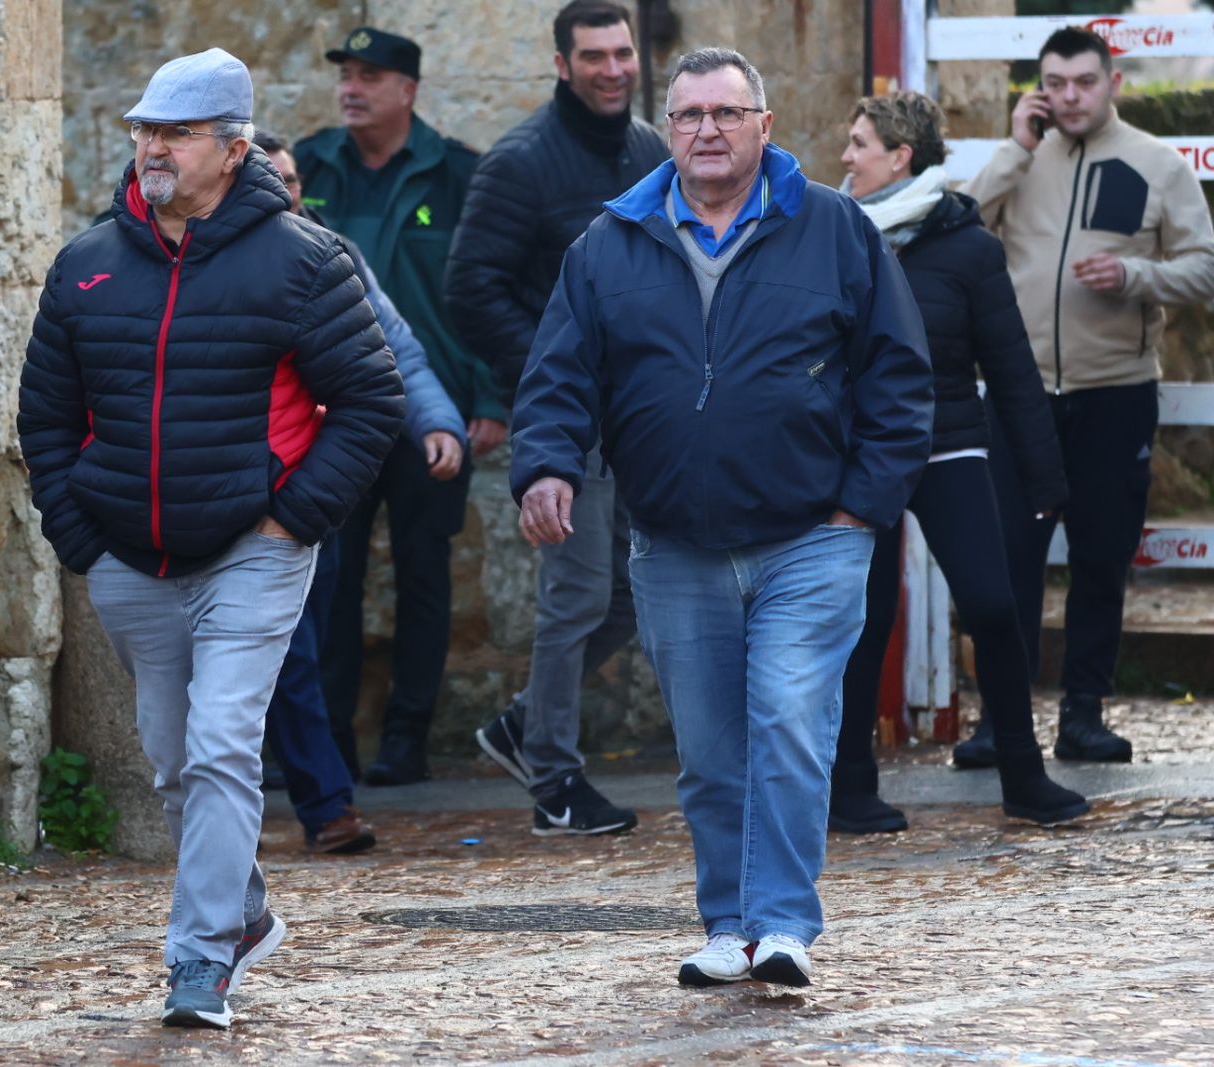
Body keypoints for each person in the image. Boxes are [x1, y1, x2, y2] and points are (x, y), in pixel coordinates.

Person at [511, 48, 933, 988]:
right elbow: (557, 377)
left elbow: (899, 376)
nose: (708, 130)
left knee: (788, 723)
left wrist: (861, 508)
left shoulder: (833, 228)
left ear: (764, 127)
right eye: (690, 114)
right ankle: (728, 925)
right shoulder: (610, 242)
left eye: (727, 113)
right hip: (674, 544)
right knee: (708, 753)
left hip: (812, 537)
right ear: (668, 129)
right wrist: (545, 467)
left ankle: (780, 922)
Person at [18, 49, 403, 1028]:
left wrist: (292, 517)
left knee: (223, 742)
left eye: (177, 133)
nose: (153, 147)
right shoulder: (87, 262)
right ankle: (242, 907)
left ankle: (199, 960)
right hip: (128, 557)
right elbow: (45, 416)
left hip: (254, 550)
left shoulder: (305, 260)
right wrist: (82, 536)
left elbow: (369, 401)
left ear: (233, 150)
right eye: (145, 130)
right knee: (172, 758)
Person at [832, 92, 1088, 834]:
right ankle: (849, 787)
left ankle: (1024, 776)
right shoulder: (834, 237)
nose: (846, 156)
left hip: (948, 444)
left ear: (900, 156)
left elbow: (1010, 365)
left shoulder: (969, 247)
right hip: (863, 454)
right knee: (863, 619)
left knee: (992, 604)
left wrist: (1043, 477)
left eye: (859, 143)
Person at [961, 27, 1214, 766]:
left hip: (1115, 395)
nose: (1070, 96)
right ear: (1038, 88)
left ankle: (1083, 715)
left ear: (1113, 83)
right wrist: (1014, 149)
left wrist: (1136, 277)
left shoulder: (1158, 164)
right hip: (1020, 396)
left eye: (1084, 81)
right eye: (1055, 83)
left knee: (1101, 561)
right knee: (1008, 562)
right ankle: (999, 721)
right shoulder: (1017, 160)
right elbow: (957, 232)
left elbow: (1204, 268)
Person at [445, 0, 668, 836]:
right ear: (561, 65)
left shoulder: (650, 150)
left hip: (638, 416)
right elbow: (470, 288)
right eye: (594, 56)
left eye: (622, 54)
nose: (612, 70)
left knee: (633, 595)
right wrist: (551, 362)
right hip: (567, 417)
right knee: (575, 598)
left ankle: (521, 725)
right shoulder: (520, 163)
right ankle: (554, 780)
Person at [295, 28, 508, 785]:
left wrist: (487, 396)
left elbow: (487, 289)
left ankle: (406, 740)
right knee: (330, 577)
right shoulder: (309, 165)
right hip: (333, 410)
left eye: (369, 77)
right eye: (346, 75)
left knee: (423, 574)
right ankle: (328, 746)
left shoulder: (459, 175)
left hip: (430, 411)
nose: (350, 89)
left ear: (408, 91)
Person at [251, 130, 467, 854]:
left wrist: (436, 423)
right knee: (283, 650)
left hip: (311, 486)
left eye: (291, 180)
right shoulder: (200, 259)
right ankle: (313, 798)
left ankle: (322, 796)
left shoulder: (329, 253)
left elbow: (393, 347)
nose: (285, 193)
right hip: (228, 486)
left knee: (306, 643)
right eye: (270, 178)